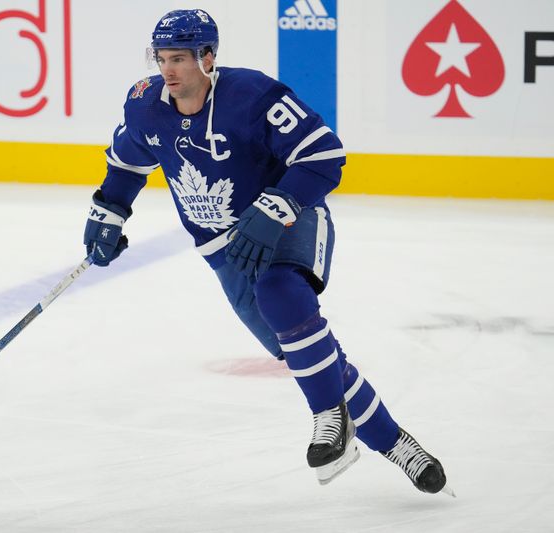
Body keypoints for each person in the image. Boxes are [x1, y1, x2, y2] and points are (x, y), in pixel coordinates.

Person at [82, 8, 452, 495]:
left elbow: (324, 156)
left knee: (281, 291)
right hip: (221, 248)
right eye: (162, 59)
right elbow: (129, 163)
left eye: (179, 59)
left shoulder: (252, 97)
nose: (167, 71)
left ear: (208, 58)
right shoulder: (146, 105)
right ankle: (394, 441)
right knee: (306, 353)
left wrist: (276, 206)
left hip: (289, 218)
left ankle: (327, 418)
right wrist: (108, 212)